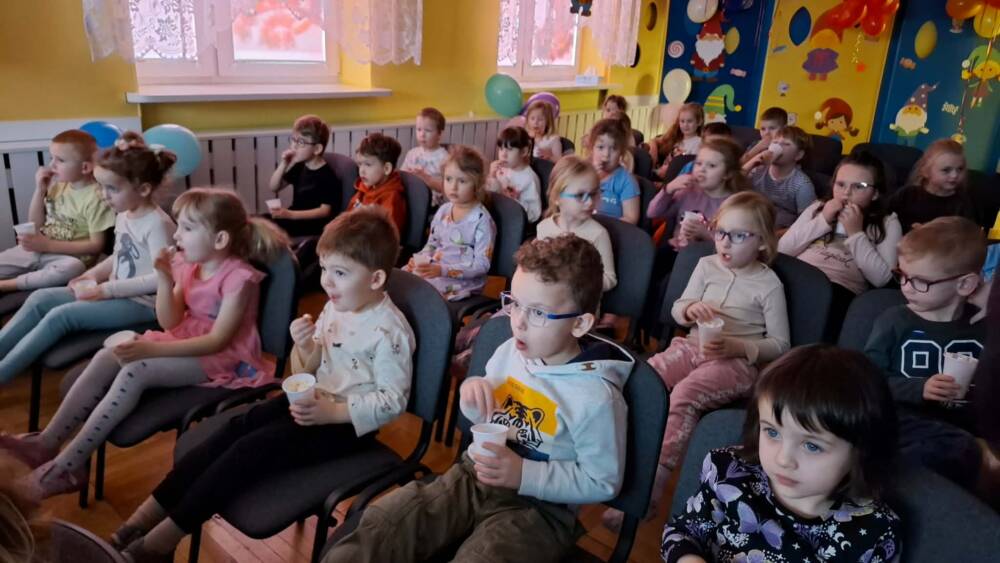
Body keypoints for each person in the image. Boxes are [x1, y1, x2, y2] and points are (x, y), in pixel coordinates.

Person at [107, 206, 414, 562]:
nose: (326, 282)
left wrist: (332, 413)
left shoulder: (389, 332)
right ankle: (139, 522)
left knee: (247, 451)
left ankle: (156, 545)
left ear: (375, 279)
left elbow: (393, 401)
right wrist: (307, 345)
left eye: (340, 273)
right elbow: (315, 364)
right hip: (314, 401)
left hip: (346, 426)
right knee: (232, 430)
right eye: (325, 269)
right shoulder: (339, 304)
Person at [325, 235, 635, 562]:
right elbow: (485, 416)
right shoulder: (510, 351)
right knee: (382, 528)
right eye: (515, 303)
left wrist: (523, 474)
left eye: (538, 313)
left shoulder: (596, 398)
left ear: (580, 323)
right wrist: (473, 392)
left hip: (540, 511)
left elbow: (602, 481)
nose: (518, 322)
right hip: (474, 476)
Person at [0, 188, 288, 498]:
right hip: (185, 337)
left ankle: (68, 467)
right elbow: (170, 322)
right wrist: (164, 279)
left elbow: (217, 341)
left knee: (135, 370)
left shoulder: (240, 278)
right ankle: (46, 443)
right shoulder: (189, 265)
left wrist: (151, 349)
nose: (176, 235)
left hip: (222, 355)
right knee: (107, 356)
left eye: (187, 228)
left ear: (219, 240)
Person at [609, 192, 790, 531]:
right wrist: (690, 309)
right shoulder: (707, 265)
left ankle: (652, 486)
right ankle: (620, 460)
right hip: (693, 345)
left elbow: (780, 345)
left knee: (685, 395)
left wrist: (736, 346)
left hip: (736, 363)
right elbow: (679, 307)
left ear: (763, 242)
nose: (725, 242)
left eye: (739, 235)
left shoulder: (768, 284)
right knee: (646, 378)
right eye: (721, 232)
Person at [661, 345, 902, 563]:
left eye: (812, 446)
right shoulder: (727, 472)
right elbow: (683, 532)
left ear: (861, 451)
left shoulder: (875, 533)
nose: (783, 460)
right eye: (772, 432)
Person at [0, 133, 176, 384]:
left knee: (61, 316)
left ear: (144, 189)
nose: (103, 195)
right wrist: (91, 274)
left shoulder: (157, 225)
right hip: (116, 292)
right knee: (40, 298)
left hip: (144, 305)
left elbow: (162, 280)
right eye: (101, 186)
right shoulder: (124, 214)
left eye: (112, 188)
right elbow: (118, 255)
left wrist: (106, 290)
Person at [865, 217, 994, 499]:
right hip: (903, 424)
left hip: (964, 432)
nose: (906, 287)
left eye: (921, 281)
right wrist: (918, 388)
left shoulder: (985, 326)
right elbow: (867, 380)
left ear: (965, 284)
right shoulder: (894, 321)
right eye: (902, 275)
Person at [779, 151, 901, 337]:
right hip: (798, 277)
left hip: (838, 290)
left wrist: (856, 234)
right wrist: (823, 220)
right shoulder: (819, 207)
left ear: (875, 193)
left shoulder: (887, 222)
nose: (846, 193)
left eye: (859, 186)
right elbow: (782, 250)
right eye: (840, 184)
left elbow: (882, 279)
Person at [0, 129, 115, 293]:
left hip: (67, 258)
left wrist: (48, 245)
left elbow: (96, 245)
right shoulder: (58, 186)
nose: (51, 165)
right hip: (39, 249)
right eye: (51, 158)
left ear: (85, 167)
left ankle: (7, 285)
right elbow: (36, 225)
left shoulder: (96, 197)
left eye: (60, 160)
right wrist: (40, 190)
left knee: (73, 268)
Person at [405, 146, 496, 301]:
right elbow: (432, 244)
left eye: (462, 181)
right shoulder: (443, 210)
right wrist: (419, 260)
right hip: (437, 269)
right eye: (448, 179)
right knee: (402, 277)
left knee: (417, 292)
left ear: (477, 184)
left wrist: (443, 270)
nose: (453, 187)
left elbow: (482, 265)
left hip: (462, 282)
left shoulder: (482, 221)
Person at [537, 155, 616, 292]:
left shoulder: (598, 234)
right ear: (557, 198)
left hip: (579, 303)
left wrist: (576, 280)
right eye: (580, 195)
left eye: (593, 194)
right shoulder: (543, 227)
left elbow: (610, 279)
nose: (590, 202)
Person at [267, 114, 339, 237]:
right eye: (293, 139)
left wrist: (290, 214)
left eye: (301, 142)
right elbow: (274, 187)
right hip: (293, 218)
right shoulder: (300, 166)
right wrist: (284, 163)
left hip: (310, 226)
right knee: (257, 222)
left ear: (317, 149)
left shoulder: (327, 176)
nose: (294, 146)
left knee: (265, 230)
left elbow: (324, 211)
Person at [888, 139, 978, 233]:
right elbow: (886, 218)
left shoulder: (962, 203)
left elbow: (967, 234)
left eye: (960, 169)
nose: (954, 175)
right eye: (946, 170)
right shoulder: (907, 194)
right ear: (926, 171)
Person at [743, 125, 816, 229]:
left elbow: (806, 223)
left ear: (798, 155)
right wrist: (753, 161)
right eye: (775, 142)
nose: (778, 147)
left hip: (778, 229)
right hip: (749, 219)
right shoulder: (757, 169)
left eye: (786, 144)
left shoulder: (802, 185)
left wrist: (775, 235)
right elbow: (730, 184)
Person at [348, 132, 406, 234]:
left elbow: (386, 236)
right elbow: (348, 216)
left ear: (386, 168)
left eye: (368, 165)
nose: (361, 171)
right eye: (360, 164)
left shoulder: (392, 198)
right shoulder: (366, 186)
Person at [589, 118, 640, 224]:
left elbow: (631, 219)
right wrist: (590, 179)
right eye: (600, 147)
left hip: (611, 230)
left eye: (613, 149)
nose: (606, 155)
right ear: (591, 149)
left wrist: (603, 225)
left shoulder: (626, 181)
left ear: (621, 153)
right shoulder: (583, 174)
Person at [486, 126, 542, 223]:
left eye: (510, 149)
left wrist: (508, 197)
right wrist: (491, 176)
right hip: (495, 216)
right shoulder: (501, 169)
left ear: (524, 151)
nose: (503, 154)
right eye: (501, 149)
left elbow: (534, 214)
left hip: (512, 223)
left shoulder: (530, 179)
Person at [400, 107, 449, 207]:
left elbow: (446, 188)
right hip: (409, 197)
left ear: (440, 134)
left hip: (432, 204)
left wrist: (426, 178)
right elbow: (401, 176)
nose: (422, 134)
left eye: (428, 130)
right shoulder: (412, 153)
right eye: (419, 129)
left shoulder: (444, 158)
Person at [651, 103, 704, 179]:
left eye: (689, 121)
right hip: (662, 173)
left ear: (699, 122)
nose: (685, 125)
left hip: (677, 178)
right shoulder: (678, 140)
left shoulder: (698, 143)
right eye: (682, 121)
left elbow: (691, 168)